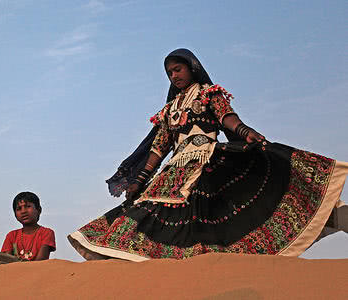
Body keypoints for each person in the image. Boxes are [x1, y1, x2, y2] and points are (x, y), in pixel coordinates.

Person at [68, 48, 348, 261]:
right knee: (142, 213)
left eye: (178, 69)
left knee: (212, 216)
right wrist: (140, 179)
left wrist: (244, 130)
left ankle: (331, 216)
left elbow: (227, 117)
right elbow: (159, 147)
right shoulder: (168, 110)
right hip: (174, 172)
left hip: (207, 161)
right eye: (169, 73)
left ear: (192, 68)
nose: (174, 76)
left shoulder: (208, 93)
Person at [1, 192, 56, 261]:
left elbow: (41, 260)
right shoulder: (11, 236)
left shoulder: (46, 233)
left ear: (39, 210)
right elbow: (5, 260)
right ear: (15, 215)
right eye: (19, 208)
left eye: (28, 206)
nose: (23, 211)